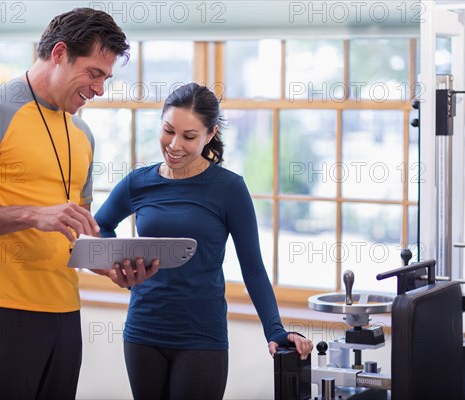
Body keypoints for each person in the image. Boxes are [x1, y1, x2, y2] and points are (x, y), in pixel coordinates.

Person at [0, 8, 158, 399]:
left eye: (106, 77)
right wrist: (32, 214)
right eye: (94, 73)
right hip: (2, 310)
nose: (100, 88)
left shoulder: (82, 132)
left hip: (65, 313)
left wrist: (112, 268)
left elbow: (75, 233)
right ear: (58, 53)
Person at [94, 82, 314, 400]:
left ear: (210, 135)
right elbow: (101, 227)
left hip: (202, 337)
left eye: (189, 136)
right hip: (143, 331)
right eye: (168, 131)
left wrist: (275, 330)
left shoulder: (229, 189)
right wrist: (121, 267)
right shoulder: (138, 183)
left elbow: (252, 267)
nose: (174, 145)